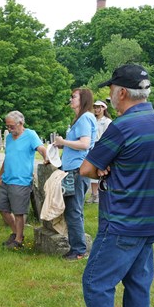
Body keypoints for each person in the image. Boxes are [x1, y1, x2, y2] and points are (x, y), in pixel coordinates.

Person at [66, 64, 154, 307]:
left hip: (122, 219)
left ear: (122, 92)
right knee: (138, 284)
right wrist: (110, 166)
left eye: (111, 90)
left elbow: (86, 168)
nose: (109, 96)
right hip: (149, 221)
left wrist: (102, 168)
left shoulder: (122, 126)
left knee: (96, 282)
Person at [0, 111, 49, 249]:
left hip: (21, 181)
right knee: (1, 208)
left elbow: (41, 148)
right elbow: (8, 156)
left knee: (19, 212)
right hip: (7, 179)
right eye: (7, 126)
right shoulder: (10, 138)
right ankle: (15, 232)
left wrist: (46, 156)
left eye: (11, 126)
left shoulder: (30, 135)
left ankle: (18, 240)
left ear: (21, 123)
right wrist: (0, 173)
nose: (9, 129)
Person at [54, 88, 96, 260]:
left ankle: (79, 250)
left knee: (74, 209)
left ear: (83, 99)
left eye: (74, 97)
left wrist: (63, 141)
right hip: (72, 169)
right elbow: (77, 143)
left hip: (78, 170)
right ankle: (76, 248)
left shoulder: (85, 117)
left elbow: (85, 144)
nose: (71, 99)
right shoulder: (80, 119)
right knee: (72, 209)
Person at [87, 100, 113, 203]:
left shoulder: (107, 121)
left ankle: (102, 193)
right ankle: (94, 194)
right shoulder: (92, 120)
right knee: (92, 171)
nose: (97, 109)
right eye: (95, 107)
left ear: (104, 108)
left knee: (102, 171)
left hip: (102, 147)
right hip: (92, 147)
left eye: (99, 107)